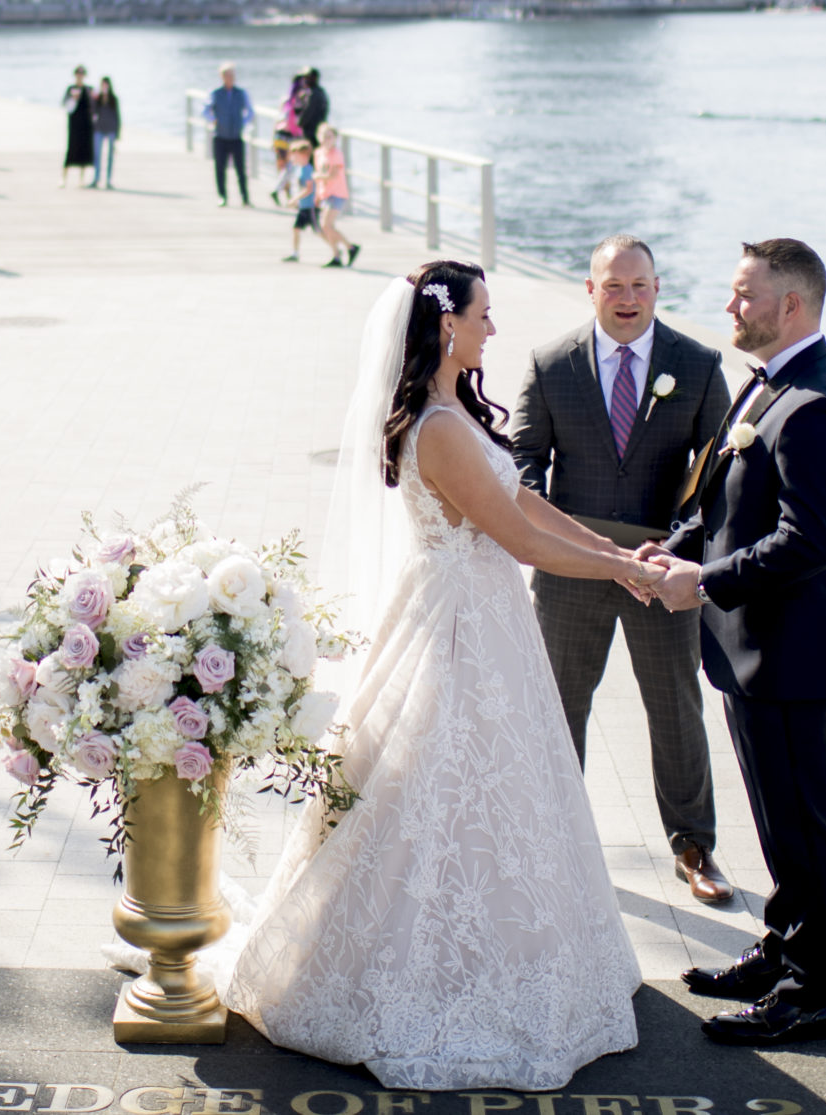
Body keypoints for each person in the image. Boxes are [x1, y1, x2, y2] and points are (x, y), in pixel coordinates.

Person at [223, 261, 662, 1089]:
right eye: (485, 315)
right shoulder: (440, 428)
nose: (494, 329)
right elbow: (520, 542)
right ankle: (423, 967)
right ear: (447, 323)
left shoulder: (458, 410)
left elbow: (526, 503)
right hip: (459, 627)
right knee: (439, 787)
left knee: (494, 792)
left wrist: (612, 553)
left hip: (482, 615)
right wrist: (623, 576)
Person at [643, 238, 826, 1048]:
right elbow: (724, 500)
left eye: (745, 295)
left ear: (792, 305)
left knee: (807, 824)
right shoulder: (767, 384)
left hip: (793, 651)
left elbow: (809, 541)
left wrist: (700, 582)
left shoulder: (818, 404)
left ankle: (812, 994)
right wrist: (675, 550)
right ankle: (784, 947)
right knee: (777, 820)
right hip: (748, 647)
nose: (731, 307)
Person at [508, 236, 736, 906]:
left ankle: (694, 844)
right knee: (557, 710)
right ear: (590, 289)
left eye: (640, 285)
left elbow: (720, 472)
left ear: (658, 288)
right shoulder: (551, 365)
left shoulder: (695, 365)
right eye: (614, 286)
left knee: (675, 709)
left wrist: (678, 550)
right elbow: (523, 466)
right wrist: (566, 543)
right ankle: (557, 842)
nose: (628, 299)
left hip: (661, 573)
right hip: (571, 571)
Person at [202, 62, 252, 207]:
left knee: (241, 169)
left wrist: (244, 122)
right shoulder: (215, 93)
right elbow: (205, 109)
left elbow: (250, 111)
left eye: (232, 75)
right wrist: (213, 120)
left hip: (236, 136)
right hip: (221, 136)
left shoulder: (241, 93)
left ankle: (245, 197)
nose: (230, 78)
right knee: (220, 168)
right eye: (227, 75)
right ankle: (222, 196)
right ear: (222, 77)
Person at [312, 124, 357, 267]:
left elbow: (333, 175)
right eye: (324, 136)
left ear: (335, 139)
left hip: (337, 193)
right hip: (325, 193)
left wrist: (317, 176)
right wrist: (318, 194)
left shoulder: (336, 154)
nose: (327, 140)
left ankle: (349, 247)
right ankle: (337, 254)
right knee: (324, 227)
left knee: (326, 225)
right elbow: (321, 176)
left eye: (330, 137)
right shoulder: (318, 153)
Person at [280, 140, 316, 262]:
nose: (291, 157)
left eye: (294, 154)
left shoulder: (307, 169)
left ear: (304, 155)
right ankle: (295, 253)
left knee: (321, 232)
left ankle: (343, 248)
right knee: (296, 229)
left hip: (310, 206)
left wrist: (294, 199)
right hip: (303, 206)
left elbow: (309, 188)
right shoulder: (299, 168)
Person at [61, 64, 95, 187]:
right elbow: (66, 106)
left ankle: (81, 180)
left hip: (86, 125)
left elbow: (93, 106)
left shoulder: (88, 89)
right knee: (70, 151)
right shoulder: (71, 89)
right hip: (74, 125)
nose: (80, 76)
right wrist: (74, 98)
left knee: (84, 152)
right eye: (78, 74)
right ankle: (63, 179)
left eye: (82, 74)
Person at [88, 75, 120, 189]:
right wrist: (93, 98)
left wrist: (117, 133)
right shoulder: (98, 98)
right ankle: (96, 179)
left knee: (110, 156)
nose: (105, 87)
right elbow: (92, 112)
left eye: (106, 85)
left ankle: (109, 180)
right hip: (99, 129)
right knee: (97, 155)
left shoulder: (113, 99)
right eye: (103, 85)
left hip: (110, 129)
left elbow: (117, 116)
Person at [294, 66, 330, 143]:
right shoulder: (320, 92)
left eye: (305, 78)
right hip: (316, 131)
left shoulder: (314, 94)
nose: (303, 80)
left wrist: (298, 123)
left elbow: (307, 113)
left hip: (312, 133)